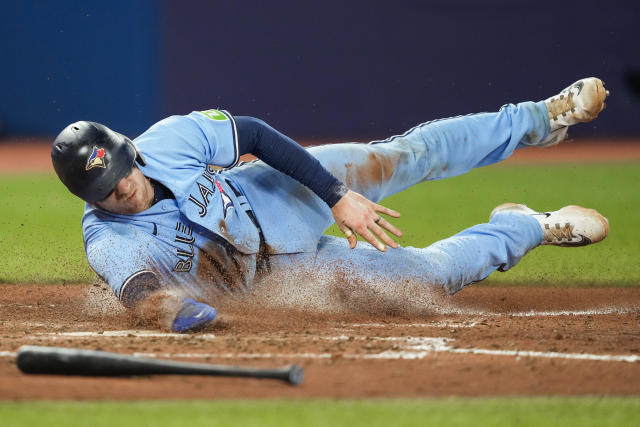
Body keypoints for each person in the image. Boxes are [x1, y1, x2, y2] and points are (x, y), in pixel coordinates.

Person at [51, 77, 610, 332]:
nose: (122, 188)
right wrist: (173, 311)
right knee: (426, 276)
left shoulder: (167, 139)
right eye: (105, 190)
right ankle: (523, 227)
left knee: (398, 157)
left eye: (122, 172)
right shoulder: (107, 238)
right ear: (88, 198)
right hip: (276, 280)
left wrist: (338, 195)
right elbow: (140, 293)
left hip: (271, 197)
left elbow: (255, 135)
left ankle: (538, 118)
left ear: (128, 153)